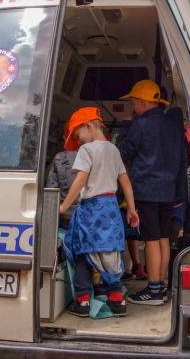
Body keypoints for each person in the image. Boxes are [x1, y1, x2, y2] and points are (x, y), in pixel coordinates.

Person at [59, 107, 139, 317]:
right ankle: (116, 300)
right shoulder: (114, 150)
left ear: (88, 126)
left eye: (78, 136)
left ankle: (83, 301)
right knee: (110, 252)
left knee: (84, 252)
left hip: (92, 210)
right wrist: (131, 209)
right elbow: (126, 182)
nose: (80, 142)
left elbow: (80, 180)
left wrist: (64, 206)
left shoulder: (87, 150)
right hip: (111, 209)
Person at [117, 80, 187, 306]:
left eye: (134, 103)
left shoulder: (140, 125)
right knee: (164, 238)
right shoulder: (173, 126)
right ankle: (162, 287)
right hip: (167, 191)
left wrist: (126, 127)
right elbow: (180, 160)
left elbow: (123, 152)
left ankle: (153, 291)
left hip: (146, 191)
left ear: (142, 102)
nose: (133, 107)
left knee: (151, 240)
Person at [45, 131, 80, 228]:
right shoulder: (88, 155)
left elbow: (51, 187)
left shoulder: (59, 157)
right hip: (88, 210)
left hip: (67, 212)